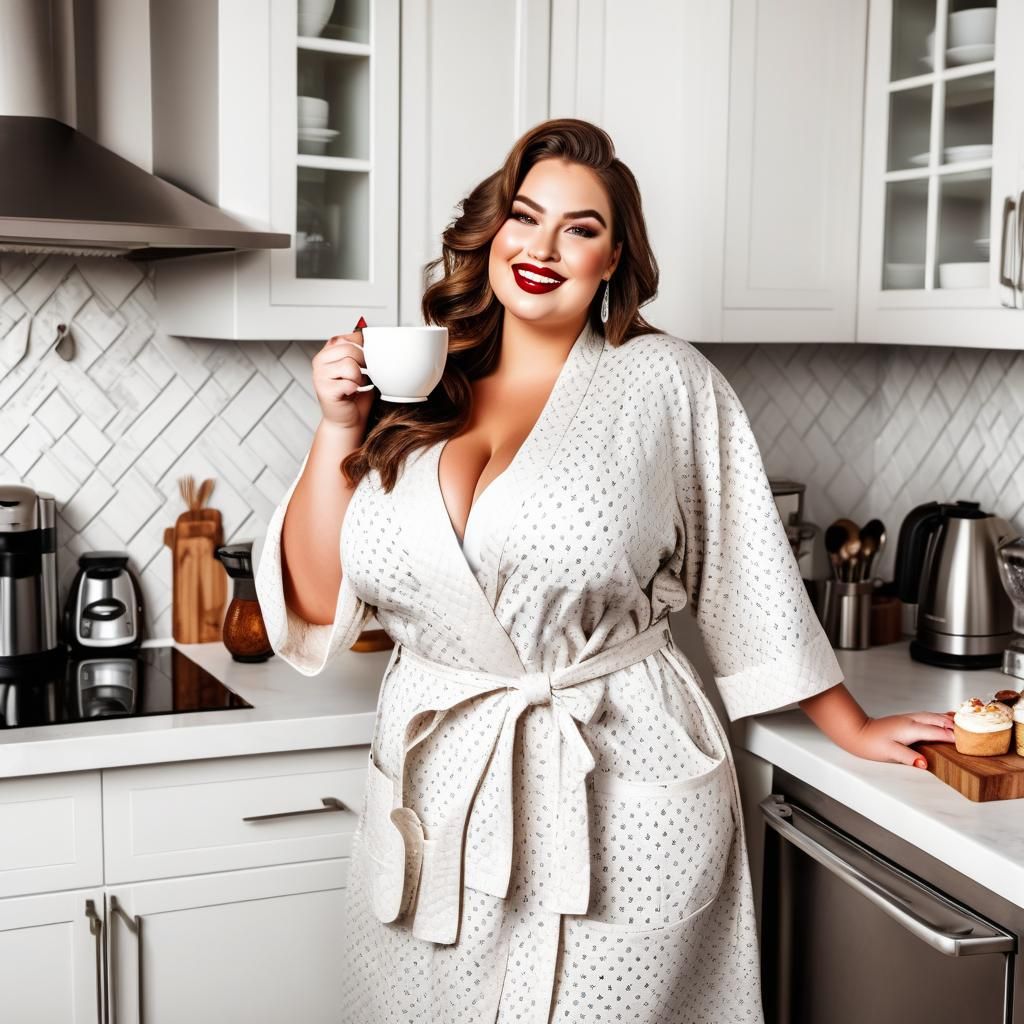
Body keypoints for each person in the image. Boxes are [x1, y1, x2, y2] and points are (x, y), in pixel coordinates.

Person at [255, 118, 955, 1023]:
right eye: (524, 216)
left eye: (579, 228)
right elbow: (317, 603)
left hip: (616, 781)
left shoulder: (664, 383)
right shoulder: (420, 384)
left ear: (613, 256)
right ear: (491, 232)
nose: (542, 247)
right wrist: (338, 427)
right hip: (442, 799)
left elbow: (749, 575)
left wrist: (850, 725)